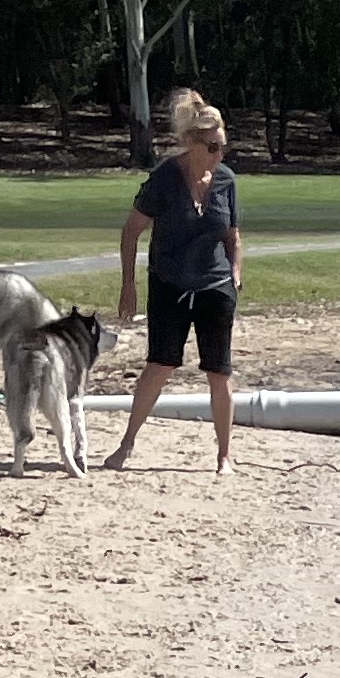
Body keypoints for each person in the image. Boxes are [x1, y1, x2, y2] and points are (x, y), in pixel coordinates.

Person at [108, 91, 243, 475]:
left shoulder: (227, 181)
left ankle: (224, 456)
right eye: (213, 147)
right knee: (160, 365)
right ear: (192, 143)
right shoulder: (165, 177)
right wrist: (128, 285)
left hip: (215, 286)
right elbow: (131, 231)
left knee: (219, 372)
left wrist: (235, 272)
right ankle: (126, 444)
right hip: (169, 282)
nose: (220, 154)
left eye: (223, 147)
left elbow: (233, 235)